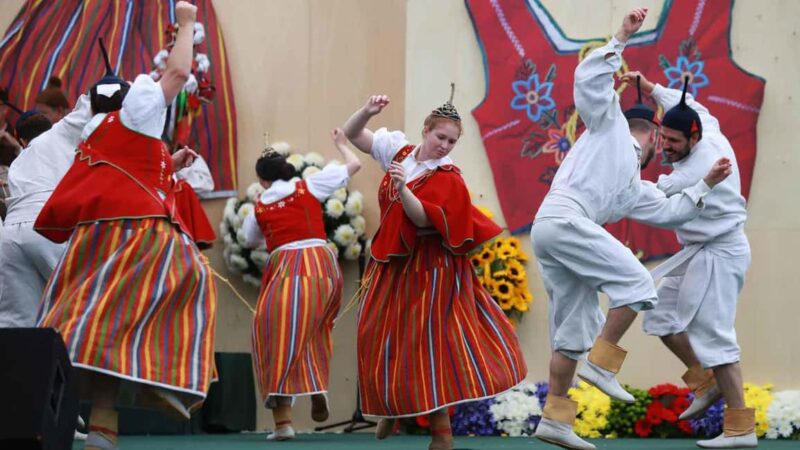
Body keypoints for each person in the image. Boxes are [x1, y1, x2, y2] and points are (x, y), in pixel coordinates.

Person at [529, 9, 733, 450]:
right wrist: (621, 35)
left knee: (572, 331)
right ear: (655, 134)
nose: (665, 149)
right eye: (664, 140)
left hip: (554, 232)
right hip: (564, 219)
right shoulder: (610, 128)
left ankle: (555, 419)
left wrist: (705, 185)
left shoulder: (631, 186)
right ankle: (603, 364)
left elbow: (672, 211)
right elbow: (590, 84)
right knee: (639, 284)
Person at [33, 3, 215, 449]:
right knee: (192, 283)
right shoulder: (139, 106)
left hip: (94, 237)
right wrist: (187, 22)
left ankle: (103, 425)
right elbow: (177, 73)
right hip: (138, 232)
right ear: (129, 96)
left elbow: (124, 168)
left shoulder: (95, 129)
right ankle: (163, 376)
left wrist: (168, 164)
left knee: (101, 324)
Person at [342, 87, 527, 450]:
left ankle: (441, 434)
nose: (445, 146)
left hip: (432, 268)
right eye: (440, 137)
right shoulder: (399, 151)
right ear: (425, 130)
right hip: (394, 263)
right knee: (374, 333)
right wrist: (367, 112)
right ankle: (392, 407)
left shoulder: (448, 176)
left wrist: (402, 188)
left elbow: (421, 218)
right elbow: (353, 134)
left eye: (452, 141)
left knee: (428, 344)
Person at [620, 70, 756, 449]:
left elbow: (656, 195)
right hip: (697, 250)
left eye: (674, 141)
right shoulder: (706, 126)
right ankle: (706, 384)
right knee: (661, 318)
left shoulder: (700, 166)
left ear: (693, 139)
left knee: (716, 338)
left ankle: (741, 429)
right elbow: (687, 102)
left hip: (721, 253)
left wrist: (609, 182)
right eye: (663, 137)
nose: (665, 146)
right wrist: (649, 87)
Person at [241, 128, 362, 441]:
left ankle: (283, 423)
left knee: (272, 337)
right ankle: (315, 385)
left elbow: (249, 240)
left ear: (262, 180)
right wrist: (341, 144)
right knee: (313, 331)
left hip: (288, 269)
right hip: (324, 268)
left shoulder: (259, 205)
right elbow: (354, 165)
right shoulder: (308, 185)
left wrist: (276, 238)